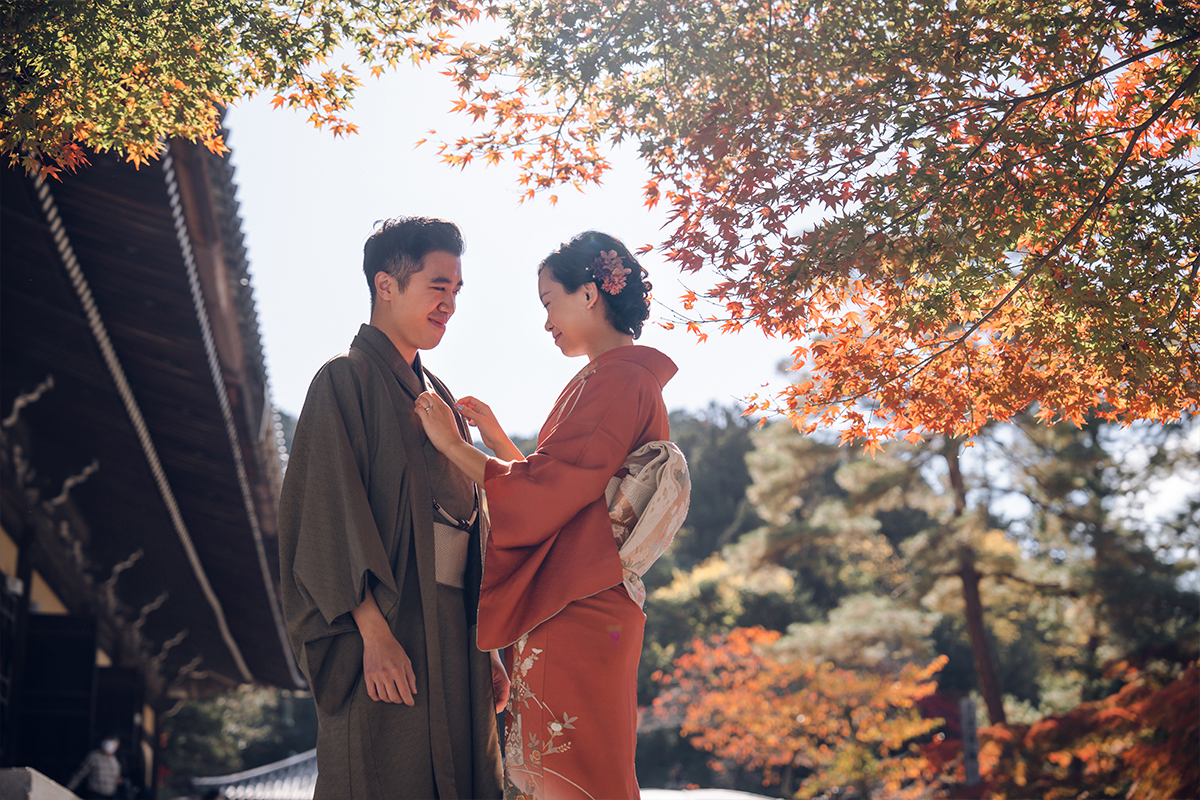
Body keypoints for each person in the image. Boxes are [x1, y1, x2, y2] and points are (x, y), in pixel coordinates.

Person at [416, 231, 681, 800]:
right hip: (582, 590)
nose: (546, 321)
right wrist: (495, 440)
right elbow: (564, 493)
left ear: (589, 294)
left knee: (571, 776)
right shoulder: (615, 378)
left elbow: (549, 489)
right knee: (571, 773)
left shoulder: (618, 377)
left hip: (577, 600)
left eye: (548, 302)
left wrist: (452, 447)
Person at [278, 217, 506, 799]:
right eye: (437, 286)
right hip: (388, 629)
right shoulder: (343, 380)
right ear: (386, 284)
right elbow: (325, 515)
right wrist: (374, 637)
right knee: (384, 771)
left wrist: (491, 650)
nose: (449, 304)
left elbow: (470, 526)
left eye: (456, 291)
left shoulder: (441, 400)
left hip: (456, 632)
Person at [66, 734, 123, 799]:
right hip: (95, 795)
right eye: (109, 740)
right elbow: (80, 774)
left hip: (110, 796)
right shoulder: (94, 756)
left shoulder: (115, 760)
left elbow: (116, 778)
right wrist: (68, 789)